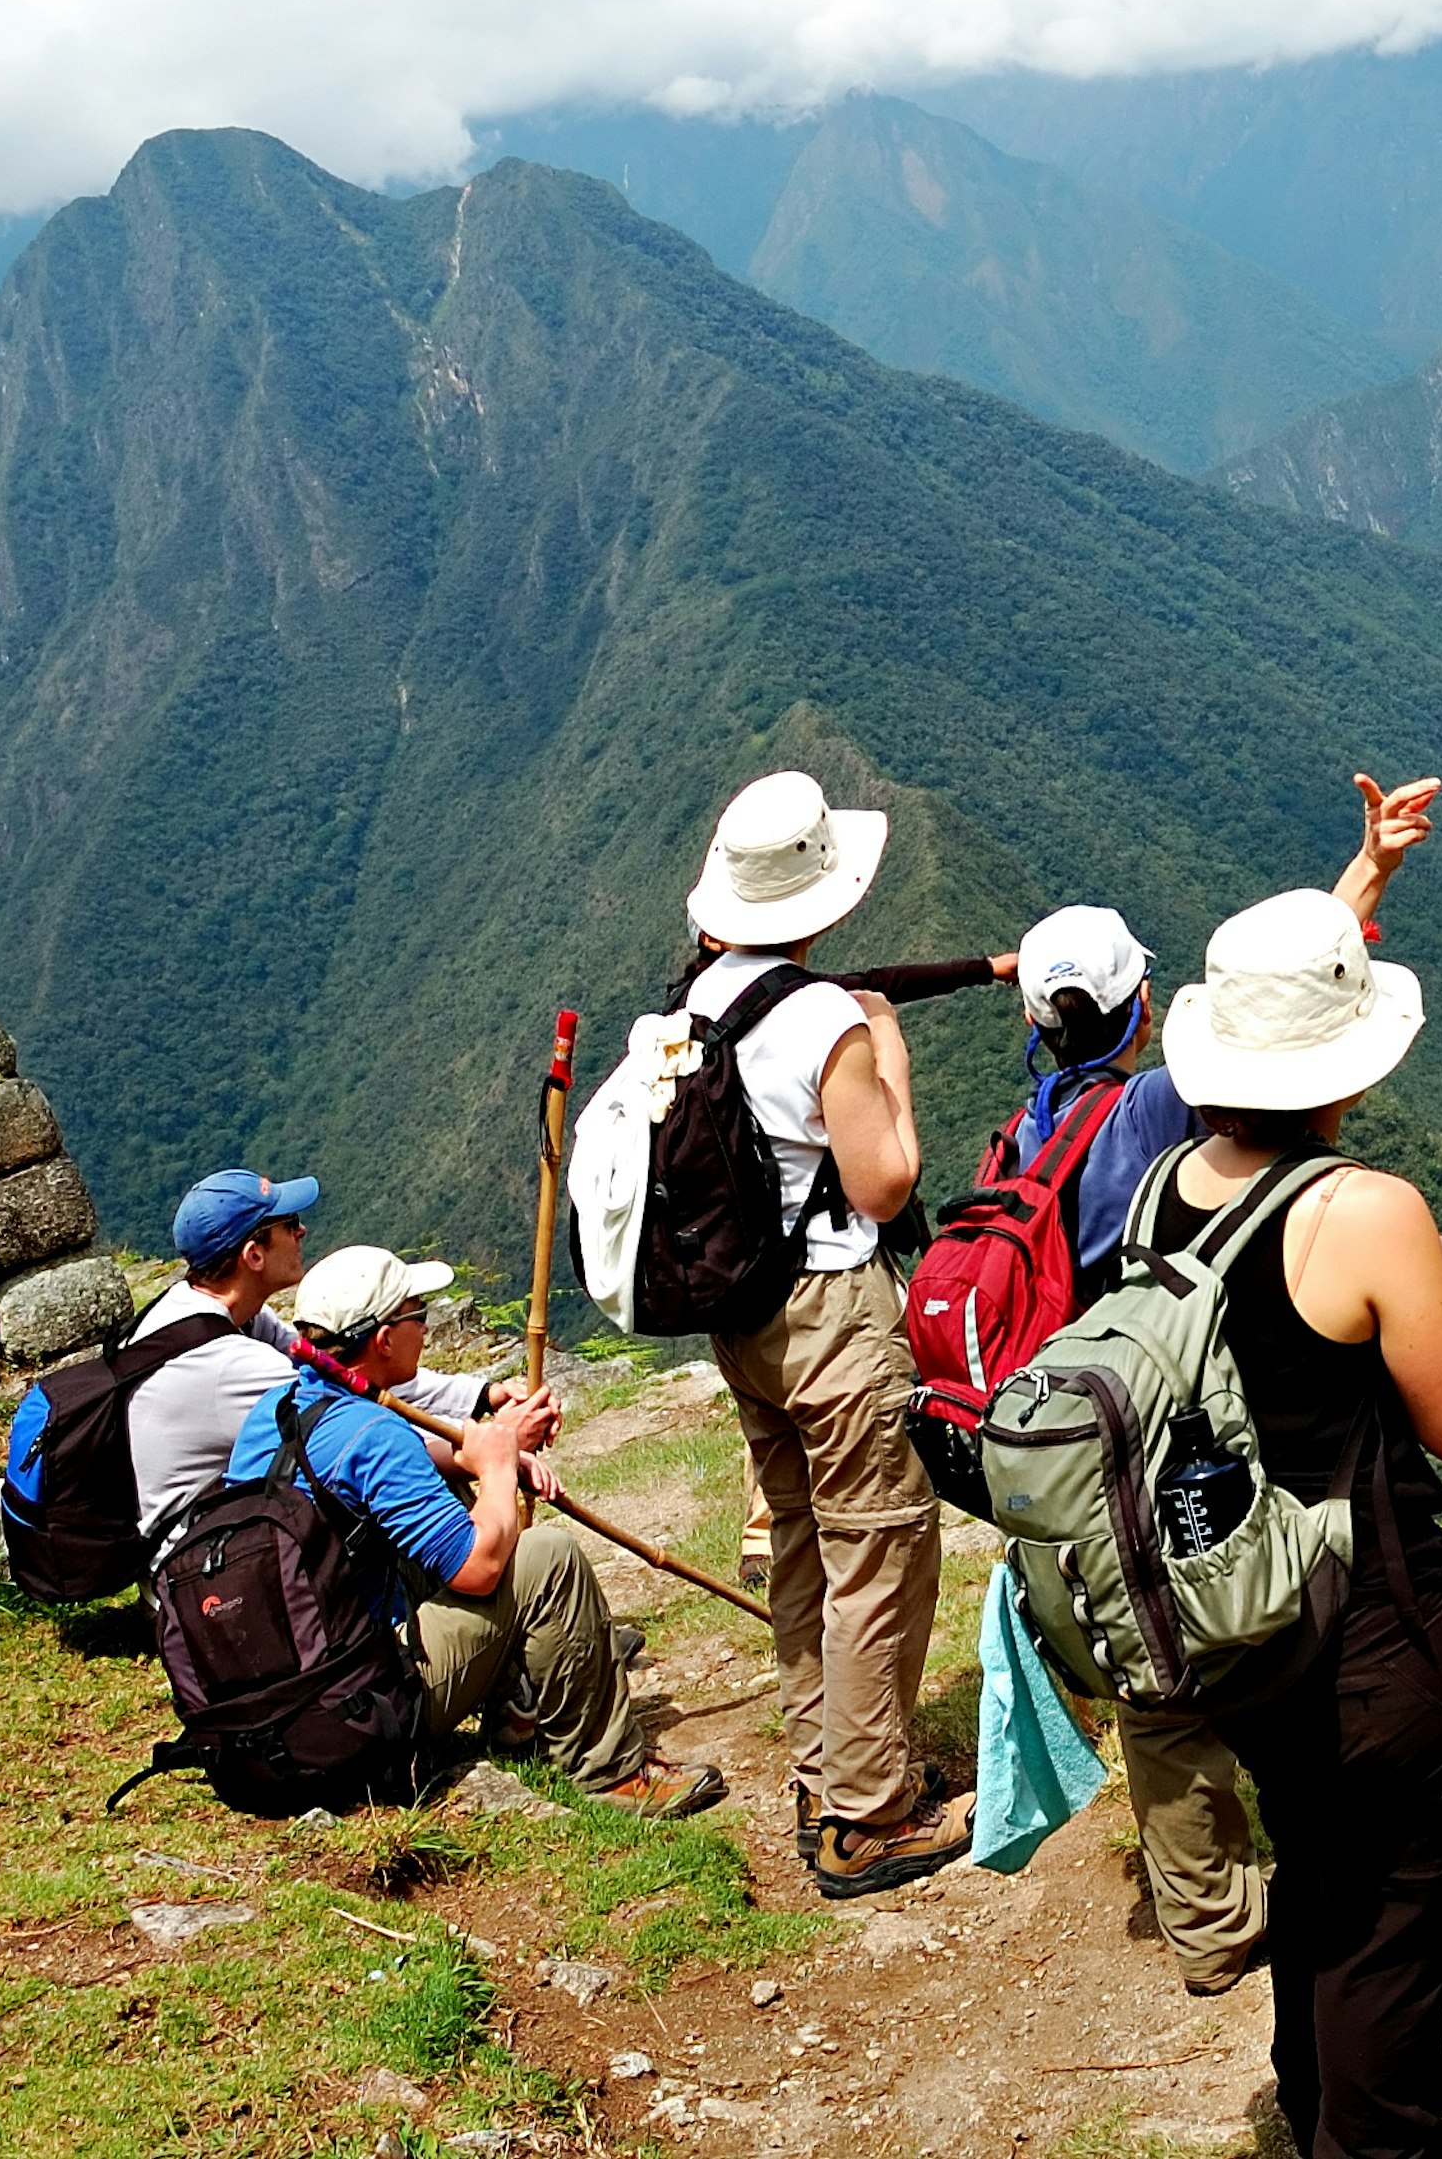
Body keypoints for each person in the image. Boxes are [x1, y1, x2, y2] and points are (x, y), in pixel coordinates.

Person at [997, 775, 1439, 1997]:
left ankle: (1207, 1922)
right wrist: (1365, 883)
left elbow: (1268, 1018)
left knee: (1158, 1683)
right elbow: (1282, 1044)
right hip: (1199, 1433)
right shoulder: (1156, 1116)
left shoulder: (1033, 1131)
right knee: (1297, 1672)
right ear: (1143, 1014)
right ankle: (1430, 1914)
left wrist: (1367, 880)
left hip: (1088, 1438)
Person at [1157, 887, 1442, 2159]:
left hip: (1236, 1626)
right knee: (1390, 1922)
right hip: (1375, 1629)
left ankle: (1315, 2119)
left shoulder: (1160, 1196)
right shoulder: (1363, 1209)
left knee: (1319, 1880)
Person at [679, 769, 962, 1896]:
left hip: (741, 1318)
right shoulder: (826, 1021)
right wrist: (888, 1052)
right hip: (833, 1310)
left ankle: (824, 1770)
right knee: (880, 1546)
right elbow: (887, 1183)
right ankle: (868, 1813)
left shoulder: (691, 1008)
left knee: (799, 1540)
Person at [220, 1243, 720, 1815]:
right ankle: (610, 1774)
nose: (425, 1330)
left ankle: (516, 1708)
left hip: (290, 1696)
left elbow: (379, 1469)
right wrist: (500, 1469)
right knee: (549, 1559)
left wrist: (472, 1458)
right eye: (417, 1316)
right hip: (359, 1711)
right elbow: (478, 1570)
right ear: (383, 1340)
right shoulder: (371, 1435)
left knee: (453, 1498)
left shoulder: (279, 1409)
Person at [123, 1166, 542, 1543]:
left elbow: (343, 1368)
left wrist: (484, 1396)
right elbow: (366, 1434)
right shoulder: (230, 1366)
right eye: (289, 1224)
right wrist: (490, 1446)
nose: (302, 1231)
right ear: (254, 1255)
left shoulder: (209, 1312)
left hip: (241, 1527)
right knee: (417, 1487)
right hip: (217, 1570)